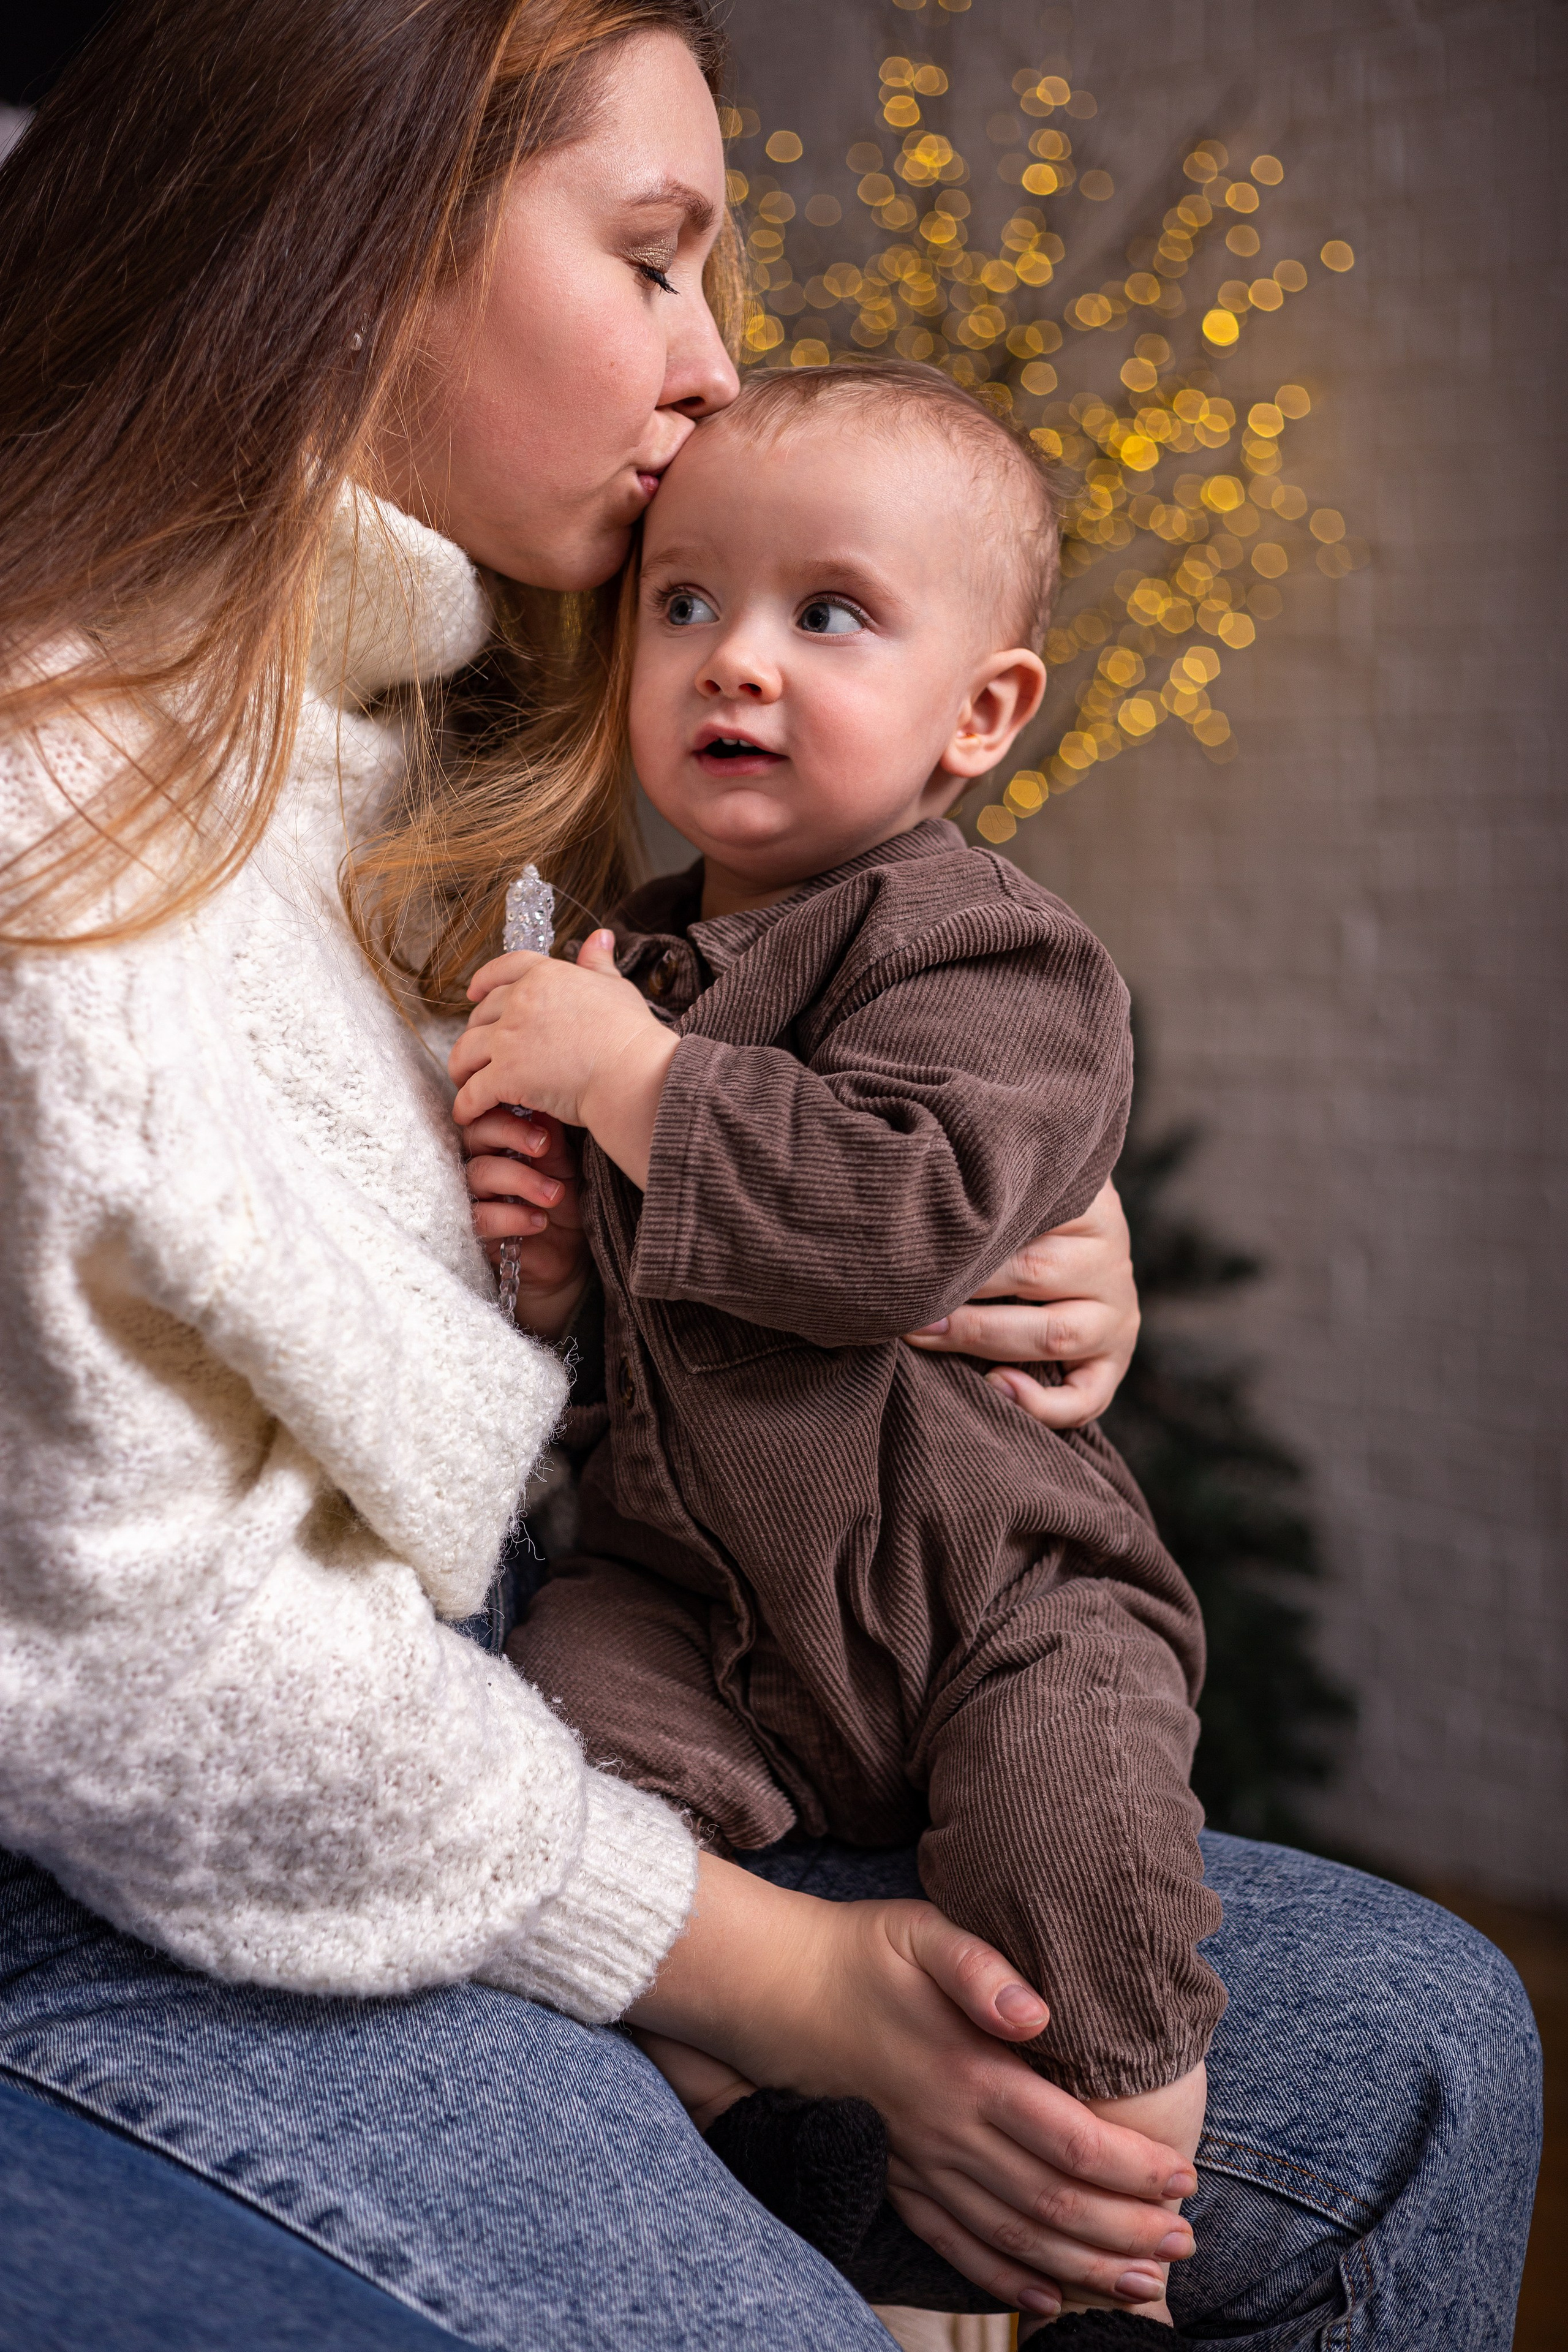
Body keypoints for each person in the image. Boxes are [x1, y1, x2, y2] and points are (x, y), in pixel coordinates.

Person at [0, 1, 1540, 2346]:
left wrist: (988, 1244)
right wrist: (796, 1982)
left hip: (552, 1717)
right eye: (656, 259)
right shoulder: (64, 834)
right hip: (168, 1885)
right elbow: (146, 1671)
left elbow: (535, 1289)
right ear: (347, 245)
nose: (718, 368)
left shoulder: (465, 766)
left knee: (1425, 2049)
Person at [455, 361, 1216, 2320]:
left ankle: (1104, 2221)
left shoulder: (992, 958)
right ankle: (666, 2195)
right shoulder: (620, 951)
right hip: (696, 1601)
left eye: (832, 614)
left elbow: (888, 1228)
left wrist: (632, 1088)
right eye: (687, 604)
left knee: (1079, 1845)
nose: (737, 664)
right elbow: (612, 1342)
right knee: (572, 1762)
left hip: (989, 1593)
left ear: (984, 713)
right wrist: (543, 1264)